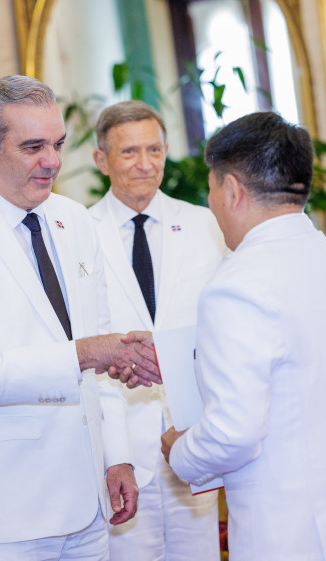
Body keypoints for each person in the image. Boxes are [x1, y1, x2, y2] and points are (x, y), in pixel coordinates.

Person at [0, 75, 162, 561]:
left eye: (58, 144)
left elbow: (99, 349)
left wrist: (117, 456)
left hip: (90, 502)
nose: (52, 161)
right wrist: (85, 353)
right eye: (33, 147)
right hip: (4, 512)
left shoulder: (75, 220)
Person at [161, 112, 326, 561]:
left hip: (296, 533)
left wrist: (180, 451)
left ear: (232, 190)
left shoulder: (235, 286)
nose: (211, 203)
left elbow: (235, 432)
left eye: (212, 188)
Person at [89, 100, 226, 561]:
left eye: (154, 149)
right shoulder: (80, 234)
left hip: (193, 435)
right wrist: (115, 455)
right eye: (129, 152)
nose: (144, 164)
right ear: (102, 160)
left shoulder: (206, 225)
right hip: (121, 448)